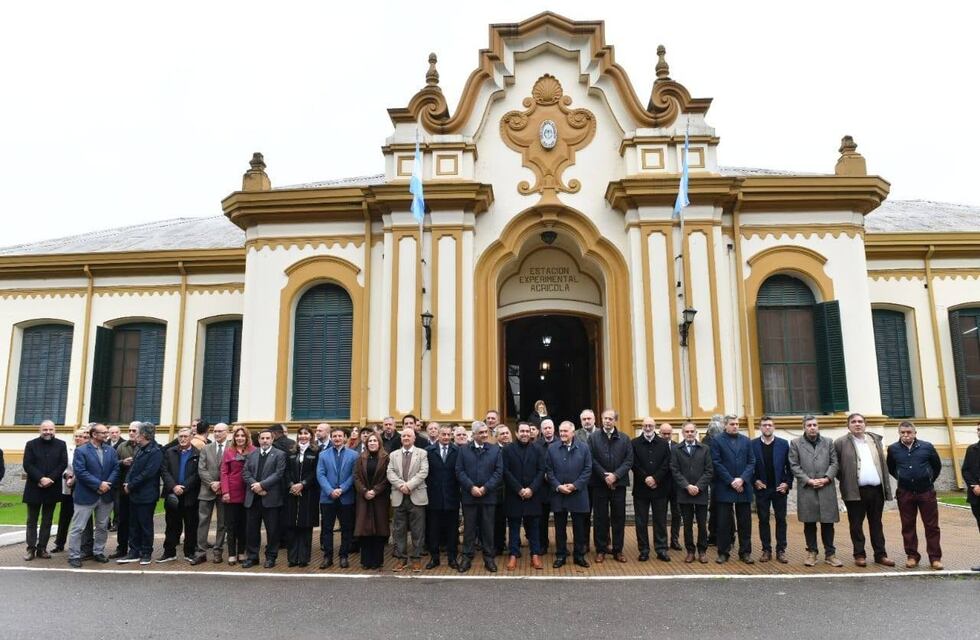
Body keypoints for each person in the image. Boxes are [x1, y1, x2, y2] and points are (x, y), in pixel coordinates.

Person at [834, 413, 895, 567]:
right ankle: (859, 554)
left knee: (876, 523)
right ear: (848, 426)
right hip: (855, 491)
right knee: (856, 524)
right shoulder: (840, 443)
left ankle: (880, 554)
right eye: (853, 422)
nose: (857, 424)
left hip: (876, 490)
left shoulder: (874, 440)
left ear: (865, 424)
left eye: (860, 421)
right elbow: (837, 467)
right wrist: (847, 480)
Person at [886, 421, 943, 570]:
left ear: (915, 433)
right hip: (905, 492)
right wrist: (903, 477)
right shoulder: (893, 449)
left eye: (909, 432)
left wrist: (928, 479)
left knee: (931, 526)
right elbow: (891, 468)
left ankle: (935, 558)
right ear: (899, 433)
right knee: (908, 526)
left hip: (926, 492)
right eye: (902, 432)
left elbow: (936, 466)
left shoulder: (927, 447)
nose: (906, 435)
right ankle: (912, 556)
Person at [788, 415, 843, 567]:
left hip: (826, 487)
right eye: (809, 425)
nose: (812, 427)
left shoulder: (828, 442)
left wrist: (826, 478)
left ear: (818, 427)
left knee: (828, 522)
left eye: (815, 425)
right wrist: (808, 480)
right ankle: (812, 553)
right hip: (807, 488)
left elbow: (834, 463)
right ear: (804, 427)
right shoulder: (795, 443)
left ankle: (830, 554)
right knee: (809, 523)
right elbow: (794, 465)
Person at [66, 423, 119, 567]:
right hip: (86, 496)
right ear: (94, 435)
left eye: (107, 432)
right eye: (103, 432)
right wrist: (98, 484)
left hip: (106, 496)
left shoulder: (110, 450)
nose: (106, 434)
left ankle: (98, 552)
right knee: (78, 527)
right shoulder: (81, 451)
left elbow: (116, 468)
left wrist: (106, 484)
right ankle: (74, 555)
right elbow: (81, 472)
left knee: (102, 527)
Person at [456, 421, 503, 573]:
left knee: (488, 529)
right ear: (474, 434)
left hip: (488, 497)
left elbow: (498, 472)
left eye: (485, 432)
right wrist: (471, 487)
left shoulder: (495, 450)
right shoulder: (464, 450)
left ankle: (489, 559)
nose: (484, 435)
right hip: (470, 497)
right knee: (469, 530)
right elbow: (459, 471)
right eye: (481, 432)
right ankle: (467, 558)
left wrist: (485, 488)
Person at [588, 409, 633, 564]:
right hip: (599, 484)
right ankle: (600, 550)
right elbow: (591, 459)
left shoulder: (625, 439)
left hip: (618, 484)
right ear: (601, 419)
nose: (607, 421)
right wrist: (604, 476)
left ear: (615, 420)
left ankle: (618, 550)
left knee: (618, 518)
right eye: (605, 418)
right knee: (600, 518)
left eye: (610, 419)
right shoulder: (593, 438)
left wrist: (615, 476)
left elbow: (629, 460)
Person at [710, 415, 755, 564]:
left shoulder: (746, 441)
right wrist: (731, 481)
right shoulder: (717, 441)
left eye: (737, 424)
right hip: (725, 487)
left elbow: (751, 462)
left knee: (745, 522)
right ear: (725, 425)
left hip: (743, 486)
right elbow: (716, 463)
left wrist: (742, 479)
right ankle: (723, 552)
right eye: (732, 424)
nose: (735, 426)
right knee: (723, 523)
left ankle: (745, 552)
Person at [546, 421, 592, 568]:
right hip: (559, 494)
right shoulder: (552, 449)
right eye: (561, 431)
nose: (563, 434)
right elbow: (549, 471)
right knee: (559, 528)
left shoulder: (584, 448)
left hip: (578, 493)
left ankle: (579, 556)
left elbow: (587, 469)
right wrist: (558, 486)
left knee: (579, 528)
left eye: (566, 431)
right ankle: (561, 555)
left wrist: (575, 485)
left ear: (573, 432)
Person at [22, 420, 68, 561]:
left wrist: (50, 479)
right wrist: (41, 478)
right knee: (32, 520)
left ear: (55, 430)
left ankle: (42, 548)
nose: (48, 432)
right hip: (34, 487)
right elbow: (27, 464)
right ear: (40, 430)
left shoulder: (61, 444)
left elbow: (63, 464)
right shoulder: (31, 444)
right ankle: (30, 549)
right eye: (45, 429)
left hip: (52, 488)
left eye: (51, 429)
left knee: (47, 520)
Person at [502, 421, 545, 570]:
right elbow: (505, 472)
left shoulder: (538, 450)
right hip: (514, 495)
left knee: (534, 527)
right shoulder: (507, 450)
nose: (525, 434)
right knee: (514, 527)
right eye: (522, 431)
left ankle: (535, 556)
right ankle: (513, 556)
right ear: (516, 433)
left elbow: (541, 471)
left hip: (533, 495)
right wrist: (519, 489)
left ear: (531, 433)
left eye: (528, 431)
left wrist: (531, 489)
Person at [118, 423, 162, 565]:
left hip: (147, 494)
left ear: (143, 435)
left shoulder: (155, 451)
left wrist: (130, 485)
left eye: (136, 433)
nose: (134, 435)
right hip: (134, 493)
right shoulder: (139, 449)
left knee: (145, 525)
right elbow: (133, 469)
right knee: (133, 524)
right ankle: (134, 552)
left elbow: (148, 473)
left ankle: (146, 552)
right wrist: (127, 482)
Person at [242, 429, 287, 568]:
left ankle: (271, 557)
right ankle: (252, 557)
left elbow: (279, 473)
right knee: (252, 530)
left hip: (270, 498)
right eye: (262, 438)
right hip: (253, 498)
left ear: (272, 439)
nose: (265, 440)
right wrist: (255, 486)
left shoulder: (280, 454)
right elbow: (245, 473)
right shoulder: (252, 454)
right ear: (259, 440)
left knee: (272, 530)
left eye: (268, 438)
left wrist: (262, 485)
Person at [670, 421, 713, 563]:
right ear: (682, 433)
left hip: (700, 493)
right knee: (687, 524)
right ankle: (690, 551)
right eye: (686, 431)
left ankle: (702, 551)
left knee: (702, 524)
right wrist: (687, 486)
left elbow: (709, 471)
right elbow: (674, 470)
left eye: (692, 431)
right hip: (684, 493)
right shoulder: (676, 449)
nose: (689, 434)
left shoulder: (704, 449)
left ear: (696, 433)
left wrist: (698, 486)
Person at [751, 416, 793, 563]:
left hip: (779, 488)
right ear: (760, 428)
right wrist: (754, 480)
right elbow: (750, 466)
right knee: (763, 520)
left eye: (769, 425)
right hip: (762, 489)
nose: (767, 427)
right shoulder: (753, 445)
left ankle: (781, 550)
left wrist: (787, 483)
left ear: (773, 427)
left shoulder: (783, 444)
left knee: (781, 519)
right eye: (764, 425)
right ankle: (766, 550)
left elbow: (790, 467)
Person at [387, 428, 429, 572]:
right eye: (403, 435)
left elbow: (424, 471)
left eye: (409, 436)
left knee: (418, 530)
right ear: (401, 438)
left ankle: (416, 560)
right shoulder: (393, 455)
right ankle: (401, 559)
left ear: (414, 438)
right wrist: (400, 485)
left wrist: (409, 485)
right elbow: (390, 472)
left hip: (416, 495)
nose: (406, 438)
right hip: (399, 496)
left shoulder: (422, 453)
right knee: (399, 530)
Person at [316, 427, 358, 569]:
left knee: (346, 528)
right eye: (334, 436)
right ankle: (328, 557)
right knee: (327, 529)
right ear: (331, 437)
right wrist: (330, 490)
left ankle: (344, 556)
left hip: (346, 497)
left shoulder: (354, 455)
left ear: (345, 438)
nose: (337, 438)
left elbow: (354, 475)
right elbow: (320, 474)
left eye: (340, 436)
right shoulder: (323, 455)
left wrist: (342, 489)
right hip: (328, 498)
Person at [631, 417, 671, 561]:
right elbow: (633, 463)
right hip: (641, 489)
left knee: (660, 520)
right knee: (641, 521)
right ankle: (644, 550)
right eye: (645, 425)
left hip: (659, 488)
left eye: (650, 425)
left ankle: (661, 549)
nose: (648, 428)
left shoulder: (663, 443)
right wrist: (646, 478)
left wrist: (655, 478)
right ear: (642, 427)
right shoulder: (634, 443)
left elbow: (667, 463)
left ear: (655, 427)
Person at [158, 427, 200, 562]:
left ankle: (190, 552)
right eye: (180, 436)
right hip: (172, 495)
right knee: (171, 525)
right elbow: (164, 471)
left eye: (185, 436)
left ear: (191, 437)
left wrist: (184, 487)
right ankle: (169, 552)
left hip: (190, 496)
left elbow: (197, 474)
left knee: (191, 526)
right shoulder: (170, 452)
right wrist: (174, 486)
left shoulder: (197, 453)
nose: (182, 439)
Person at [192, 422, 229, 565]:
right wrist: (212, 483)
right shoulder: (206, 448)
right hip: (207, 490)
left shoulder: (232, 449)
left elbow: (232, 470)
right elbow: (201, 469)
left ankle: (218, 552)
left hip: (224, 491)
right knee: (202, 522)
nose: (217, 433)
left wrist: (221, 484)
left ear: (227, 432)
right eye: (215, 431)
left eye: (220, 431)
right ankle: (201, 552)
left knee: (222, 523)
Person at [425, 424, 460, 570]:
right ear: (438, 435)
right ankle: (434, 558)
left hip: (452, 496)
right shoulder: (428, 451)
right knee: (434, 529)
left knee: (453, 529)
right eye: (443, 434)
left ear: (451, 435)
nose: (446, 437)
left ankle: (452, 558)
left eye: (448, 434)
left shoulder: (457, 451)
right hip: (434, 496)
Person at [354, 433, 391, 570]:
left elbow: (388, 478)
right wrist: (364, 491)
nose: (372, 443)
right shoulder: (361, 458)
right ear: (366, 443)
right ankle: (366, 561)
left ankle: (377, 561)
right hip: (364, 498)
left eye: (375, 440)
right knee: (365, 530)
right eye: (370, 441)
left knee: (379, 529)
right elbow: (356, 476)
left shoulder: (386, 458)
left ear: (379, 443)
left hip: (380, 498)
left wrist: (375, 491)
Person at [55, 427, 93, 555]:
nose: (78, 438)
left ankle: (84, 546)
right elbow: (64, 466)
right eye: (76, 436)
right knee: (64, 516)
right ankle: (59, 543)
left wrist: (74, 478)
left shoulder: (89, 451)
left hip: (82, 488)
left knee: (83, 519)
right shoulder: (69, 449)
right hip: (68, 488)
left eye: (81, 436)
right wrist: (67, 476)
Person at [285, 426, 320, 567]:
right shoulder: (291, 451)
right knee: (292, 526)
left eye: (306, 433)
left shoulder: (316, 452)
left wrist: (303, 484)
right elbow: (286, 471)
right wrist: (292, 485)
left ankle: (303, 558)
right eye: (301, 434)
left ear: (311, 436)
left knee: (305, 527)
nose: (303, 436)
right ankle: (292, 558)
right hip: (292, 493)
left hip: (308, 493)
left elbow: (315, 472)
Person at [220, 426, 254, 565]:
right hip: (232, 492)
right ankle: (232, 554)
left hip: (248, 491)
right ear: (234, 437)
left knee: (244, 525)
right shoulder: (229, 452)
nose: (240, 438)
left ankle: (241, 552)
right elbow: (224, 473)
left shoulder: (254, 451)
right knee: (231, 525)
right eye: (237, 435)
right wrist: (225, 491)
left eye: (242, 436)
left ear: (247, 437)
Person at [109, 422, 139, 559]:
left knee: (137, 521)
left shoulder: (145, 446)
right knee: (122, 521)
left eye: (134, 430)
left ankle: (137, 549)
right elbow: (113, 464)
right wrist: (122, 463)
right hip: (123, 490)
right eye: (130, 430)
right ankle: (121, 548)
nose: (131, 433)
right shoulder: (122, 446)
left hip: (138, 490)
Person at [534, 418, 557, 553]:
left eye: (550, 428)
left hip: (557, 487)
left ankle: (561, 545)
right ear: (541, 431)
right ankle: (543, 544)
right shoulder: (536, 445)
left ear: (554, 429)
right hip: (542, 488)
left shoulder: (561, 442)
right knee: (542, 519)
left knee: (561, 519)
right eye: (545, 428)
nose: (548, 430)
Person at [658, 423, 682, 551]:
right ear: (659, 433)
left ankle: (675, 540)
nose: (666, 436)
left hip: (676, 487)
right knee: (661, 515)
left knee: (677, 514)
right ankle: (663, 541)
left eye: (669, 434)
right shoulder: (656, 446)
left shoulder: (676, 447)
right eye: (664, 433)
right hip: (661, 486)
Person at [702, 415, 724, 546]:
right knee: (715, 508)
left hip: (722, 478)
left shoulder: (722, 439)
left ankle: (724, 534)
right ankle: (714, 534)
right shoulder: (706, 441)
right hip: (712, 479)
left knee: (722, 508)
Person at [490, 417, 509, 556]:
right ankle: (498, 545)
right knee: (498, 521)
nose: (505, 435)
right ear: (496, 437)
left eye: (507, 433)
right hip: (498, 491)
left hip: (514, 490)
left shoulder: (515, 448)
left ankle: (514, 545)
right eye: (502, 434)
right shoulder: (492, 451)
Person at [962, 422, 980, 572]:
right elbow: (966, 470)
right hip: (977, 497)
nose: (979, 432)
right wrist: (974, 485)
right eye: (978, 430)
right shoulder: (971, 449)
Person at [106, 425, 123, 532]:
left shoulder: (124, 444)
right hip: (106, 479)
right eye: (112, 432)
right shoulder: (104, 444)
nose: (114, 434)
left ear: (119, 433)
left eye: (116, 432)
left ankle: (116, 523)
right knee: (105, 504)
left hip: (118, 480)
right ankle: (106, 523)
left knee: (117, 505)